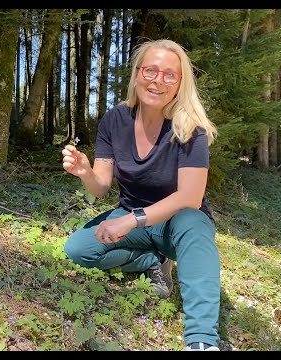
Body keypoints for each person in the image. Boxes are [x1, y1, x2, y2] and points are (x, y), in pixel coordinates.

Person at [61, 39, 220, 351]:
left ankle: (201, 340)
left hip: (179, 224)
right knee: (78, 249)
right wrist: (86, 173)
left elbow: (189, 196)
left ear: (179, 85)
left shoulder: (190, 129)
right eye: (150, 70)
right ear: (136, 75)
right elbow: (102, 185)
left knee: (193, 220)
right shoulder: (115, 120)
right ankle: (152, 261)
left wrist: (131, 222)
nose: (157, 80)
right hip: (133, 219)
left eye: (169, 75)